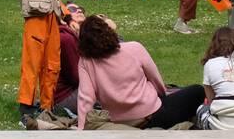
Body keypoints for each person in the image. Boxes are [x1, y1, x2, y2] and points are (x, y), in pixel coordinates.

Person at [76, 15, 205, 130]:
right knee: (197, 90)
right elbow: (156, 80)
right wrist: (162, 96)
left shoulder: (86, 61)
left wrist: (81, 130)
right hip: (153, 116)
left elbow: (85, 99)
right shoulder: (134, 48)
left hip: (118, 121)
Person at [54, 4, 85, 116]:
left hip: (70, 93)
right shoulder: (66, 39)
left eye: (81, 9)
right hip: (64, 99)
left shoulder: (79, 37)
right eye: (71, 9)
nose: (79, 10)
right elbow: (76, 78)